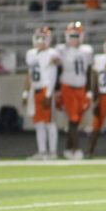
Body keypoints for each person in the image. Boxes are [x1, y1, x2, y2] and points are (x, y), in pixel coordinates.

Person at [57, 21, 94, 159]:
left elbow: (89, 71)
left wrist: (89, 90)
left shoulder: (86, 50)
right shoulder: (61, 50)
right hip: (68, 87)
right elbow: (57, 70)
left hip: (81, 88)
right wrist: (57, 90)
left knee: (77, 120)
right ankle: (77, 149)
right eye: (71, 35)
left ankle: (68, 149)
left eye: (76, 35)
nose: (74, 38)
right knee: (73, 119)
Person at [25, 26, 61, 160]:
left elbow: (54, 71)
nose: (40, 41)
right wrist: (26, 92)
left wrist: (48, 94)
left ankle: (52, 152)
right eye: (38, 38)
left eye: (43, 38)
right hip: (35, 89)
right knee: (38, 123)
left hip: (46, 89)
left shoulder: (52, 53)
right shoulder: (30, 53)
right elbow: (29, 75)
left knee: (49, 123)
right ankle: (42, 151)